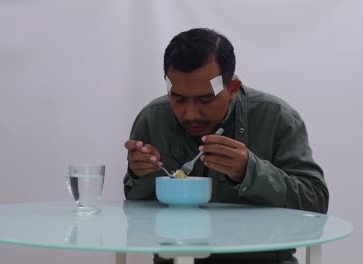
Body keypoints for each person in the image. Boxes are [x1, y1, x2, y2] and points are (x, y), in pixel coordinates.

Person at [123, 28, 329, 264]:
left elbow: (316, 204)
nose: (190, 114)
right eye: (178, 99)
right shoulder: (153, 119)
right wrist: (140, 175)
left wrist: (250, 172)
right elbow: (136, 215)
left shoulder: (276, 117)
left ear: (232, 88)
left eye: (205, 99)